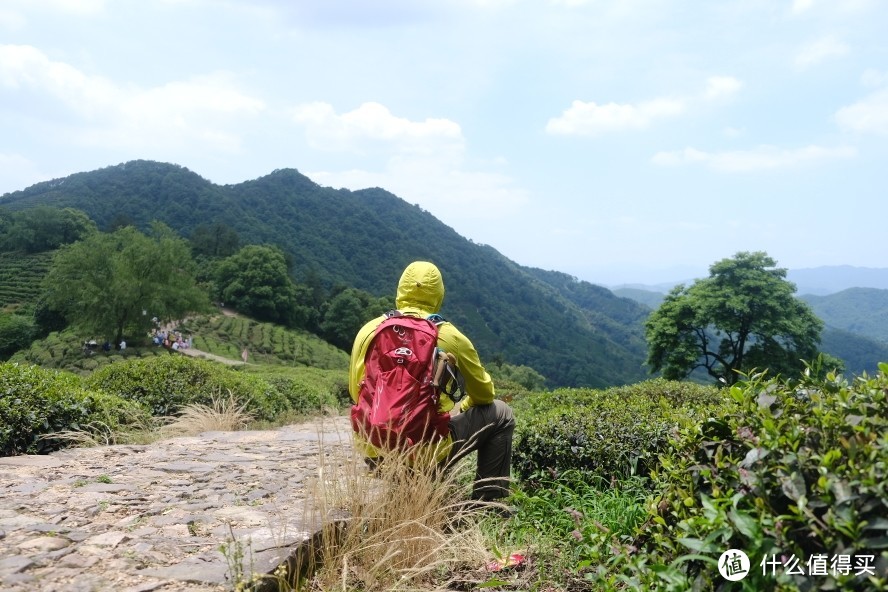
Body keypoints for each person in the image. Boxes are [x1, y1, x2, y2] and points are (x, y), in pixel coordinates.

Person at [348, 261, 515, 501]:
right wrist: (462, 406)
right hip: (426, 454)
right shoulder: (450, 336)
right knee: (502, 413)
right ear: (438, 295)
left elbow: (356, 392)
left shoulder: (370, 330)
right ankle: (488, 506)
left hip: (374, 447)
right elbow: (484, 395)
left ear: (401, 289)